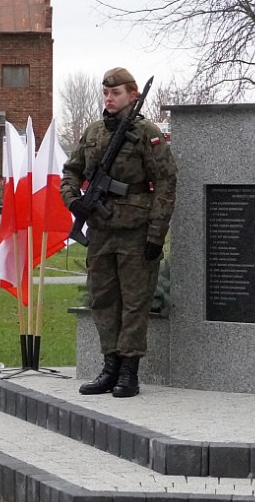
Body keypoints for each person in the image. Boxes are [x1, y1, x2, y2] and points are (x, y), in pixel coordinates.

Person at [61, 67, 177, 399]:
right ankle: (109, 367)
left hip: (135, 230)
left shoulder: (146, 134)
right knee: (103, 300)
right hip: (99, 229)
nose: (109, 98)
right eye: (106, 93)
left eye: (116, 93)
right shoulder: (94, 132)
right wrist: (74, 202)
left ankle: (129, 372)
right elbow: (72, 171)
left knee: (134, 302)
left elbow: (166, 183)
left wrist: (156, 234)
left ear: (133, 95)